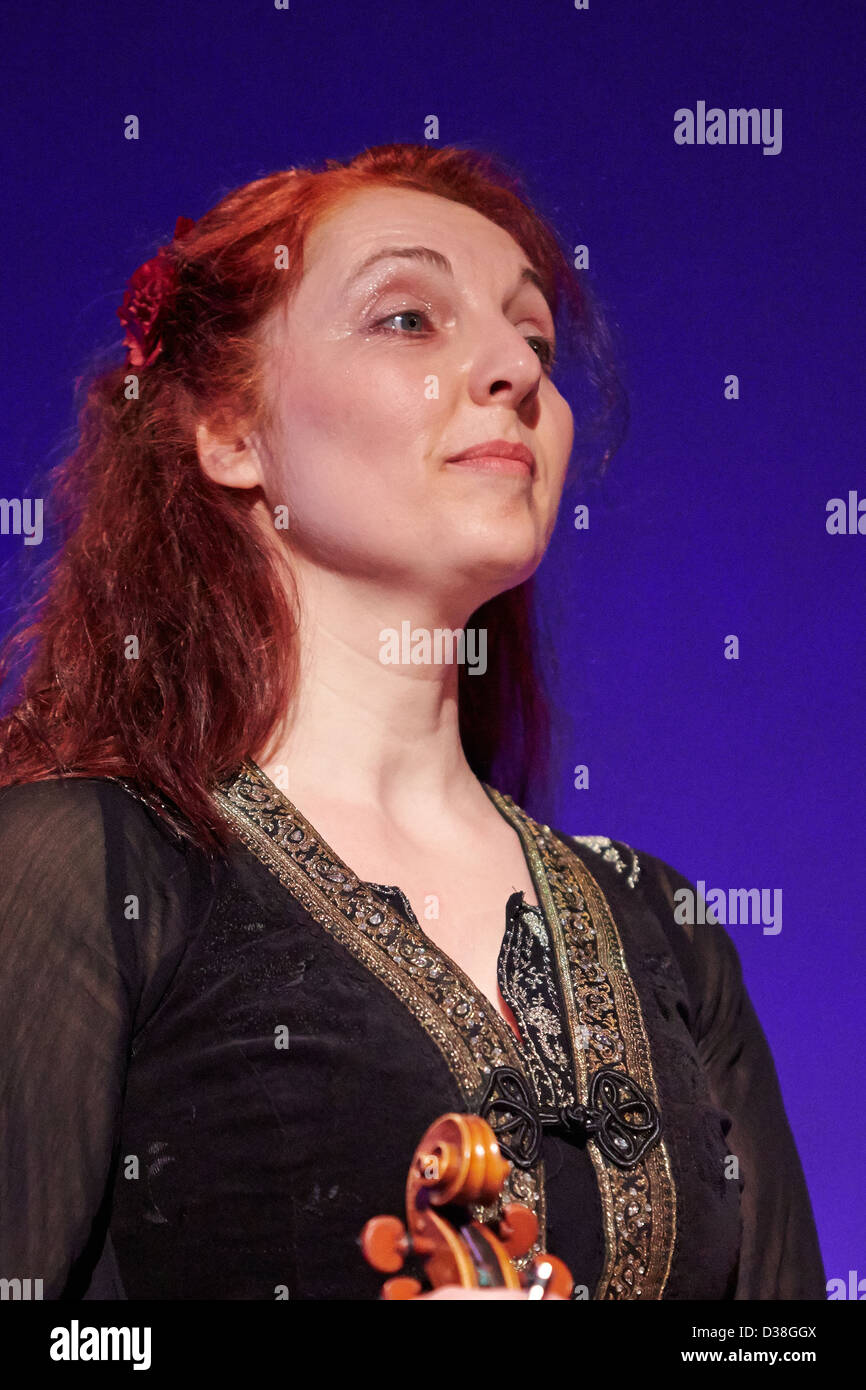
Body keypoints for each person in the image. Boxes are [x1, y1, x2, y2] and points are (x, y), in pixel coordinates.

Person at [0, 142, 824, 1301]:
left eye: (533, 339)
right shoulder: (84, 869)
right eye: (406, 319)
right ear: (232, 433)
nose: (512, 371)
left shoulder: (667, 931)